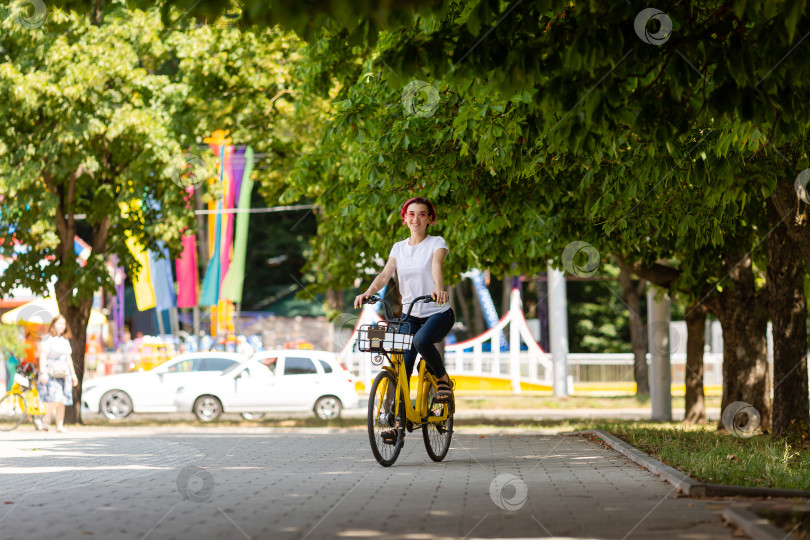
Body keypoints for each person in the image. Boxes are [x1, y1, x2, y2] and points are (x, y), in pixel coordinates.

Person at [353, 197, 455, 438]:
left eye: (422, 214)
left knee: (421, 341)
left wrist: (438, 289)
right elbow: (385, 275)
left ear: (430, 219)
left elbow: (436, 267)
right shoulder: (398, 247)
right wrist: (369, 292)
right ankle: (398, 427)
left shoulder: (436, 243)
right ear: (404, 218)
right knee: (402, 367)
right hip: (410, 314)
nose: (416, 218)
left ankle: (442, 381)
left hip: (438, 312)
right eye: (411, 214)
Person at [37, 315, 78, 432]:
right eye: (59, 323)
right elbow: (43, 356)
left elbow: (68, 358)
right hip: (51, 372)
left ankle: (59, 425)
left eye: (63, 324)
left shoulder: (65, 340)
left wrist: (73, 374)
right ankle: (47, 418)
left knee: (63, 400)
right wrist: (43, 372)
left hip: (64, 373)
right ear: (53, 324)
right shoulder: (48, 339)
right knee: (56, 398)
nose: (61, 326)